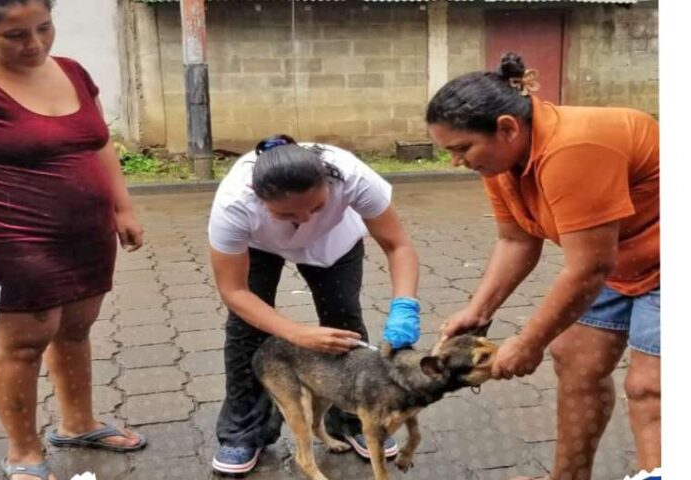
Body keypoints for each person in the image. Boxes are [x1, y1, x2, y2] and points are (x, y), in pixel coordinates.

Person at [428, 53, 659, 480]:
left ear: (507, 128)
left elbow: (588, 269)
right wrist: (478, 310)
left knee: (650, 389)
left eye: (462, 148)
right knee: (574, 360)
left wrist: (528, 341)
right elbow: (516, 240)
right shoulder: (500, 162)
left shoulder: (574, 147)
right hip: (618, 261)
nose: (455, 161)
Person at [0, 1, 147, 478]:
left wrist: (121, 207)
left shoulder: (74, 72)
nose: (35, 44)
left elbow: (99, 142)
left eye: (43, 28)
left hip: (86, 235)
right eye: (15, 35)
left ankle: (79, 424)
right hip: (13, 238)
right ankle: (23, 453)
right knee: (23, 343)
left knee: (76, 329)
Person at [207, 135, 421, 474]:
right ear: (259, 198)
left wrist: (405, 305)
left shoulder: (352, 175)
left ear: (330, 182)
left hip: (334, 242)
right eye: (287, 212)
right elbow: (234, 292)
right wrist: (296, 333)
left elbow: (398, 247)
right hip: (259, 245)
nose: (305, 218)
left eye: (317, 206)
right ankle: (244, 431)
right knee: (247, 328)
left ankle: (351, 420)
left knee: (343, 320)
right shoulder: (234, 203)